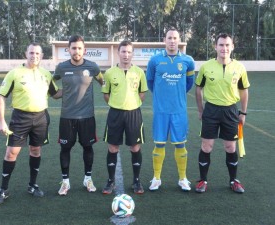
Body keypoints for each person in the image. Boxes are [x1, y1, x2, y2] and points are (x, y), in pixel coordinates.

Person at [0, 43, 61, 205]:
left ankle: (32, 185)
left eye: (37, 53)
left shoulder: (46, 74)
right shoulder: (14, 73)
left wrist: (76, 87)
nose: (34, 56)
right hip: (20, 118)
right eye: (31, 53)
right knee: (11, 153)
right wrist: (1, 121)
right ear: (26, 54)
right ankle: (3, 189)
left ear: (42, 55)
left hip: (41, 118)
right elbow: (1, 96)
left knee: (35, 150)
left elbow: (56, 93)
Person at [195, 33, 250, 193]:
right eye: (221, 45)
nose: (224, 48)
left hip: (231, 111)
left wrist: (243, 113)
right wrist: (200, 109)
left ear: (232, 47)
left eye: (227, 45)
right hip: (211, 110)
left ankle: (233, 180)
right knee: (207, 146)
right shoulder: (206, 67)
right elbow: (198, 88)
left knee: (230, 147)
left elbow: (244, 91)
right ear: (215, 47)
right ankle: (202, 181)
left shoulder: (239, 68)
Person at [53, 35, 103, 195]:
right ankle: (65, 182)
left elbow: (103, 82)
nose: (76, 51)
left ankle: (87, 179)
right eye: (73, 48)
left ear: (84, 50)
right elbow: (50, 83)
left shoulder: (93, 67)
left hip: (87, 116)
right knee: (65, 148)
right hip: (67, 116)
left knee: (87, 147)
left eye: (79, 48)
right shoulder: (61, 68)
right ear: (68, 50)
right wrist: (60, 93)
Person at [146, 28, 195, 192]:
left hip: (179, 111)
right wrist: (162, 97)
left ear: (179, 40)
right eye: (169, 38)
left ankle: (183, 178)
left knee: (180, 145)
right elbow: (150, 82)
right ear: (164, 40)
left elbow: (189, 83)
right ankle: (156, 178)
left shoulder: (188, 61)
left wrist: (176, 95)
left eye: (175, 38)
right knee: (159, 144)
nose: (172, 41)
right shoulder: (155, 60)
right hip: (161, 111)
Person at [101, 40, 148, 195]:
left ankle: (136, 181)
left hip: (134, 113)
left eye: (129, 52)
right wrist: (117, 104)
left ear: (132, 53)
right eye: (123, 51)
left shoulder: (139, 72)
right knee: (113, 147)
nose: (126, 55)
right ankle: (110, 181)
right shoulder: (109, 73)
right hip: (115, 113)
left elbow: (142, 93)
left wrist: (131, 104)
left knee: (135, 147)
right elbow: (106, 94)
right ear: (118, 53)